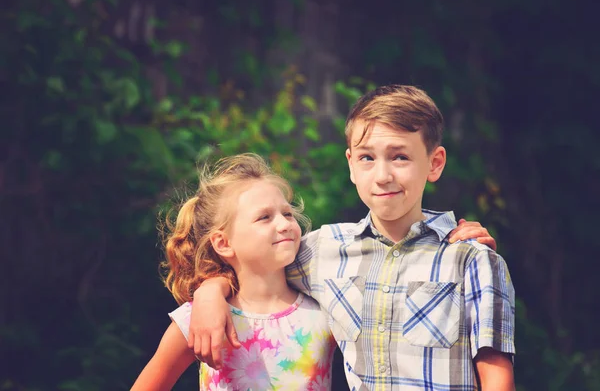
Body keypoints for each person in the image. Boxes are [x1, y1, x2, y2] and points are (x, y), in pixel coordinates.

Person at [189, 85, 515, 390]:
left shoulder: (471, 259)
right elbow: (252, 265)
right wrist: (209, 293)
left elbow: (497, 378)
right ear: (351, 165)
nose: (383, 175)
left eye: (400, 157)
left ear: (435, 163)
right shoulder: (319, 251)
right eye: (367, 158)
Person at [131, 154, 337, 390]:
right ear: (224, 243)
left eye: (287, 213)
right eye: (264, 217)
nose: (284, 224)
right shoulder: (199, 318)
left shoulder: (326, 311)